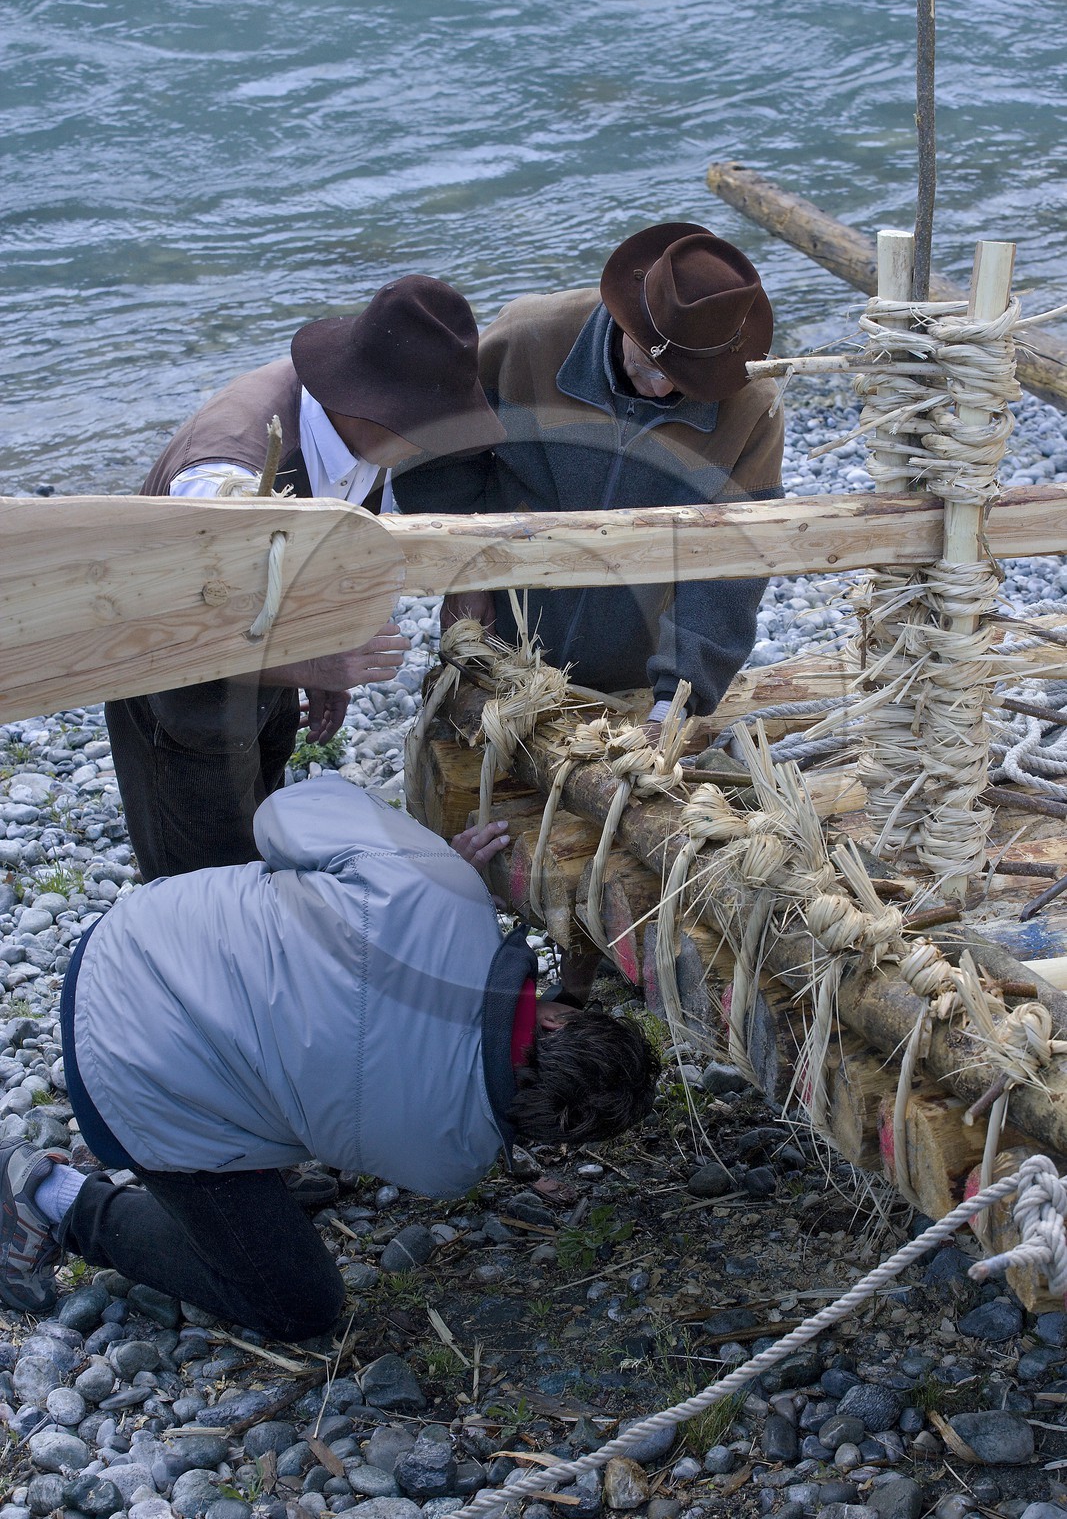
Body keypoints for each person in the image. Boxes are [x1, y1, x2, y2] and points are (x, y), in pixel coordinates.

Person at [0, 776, 659, 1338]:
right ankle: (55, 1200)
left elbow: (288, 810)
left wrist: (425, 860)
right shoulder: (450, 1162)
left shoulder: (445, 891)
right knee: (296, 1304)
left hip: (135, 952)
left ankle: (47, 1194)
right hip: (138, 1062)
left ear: (554, 1017)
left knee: (294, 1289)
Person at [105, 275, 505, 882]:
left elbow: (314, 555)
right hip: (178, 707)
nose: (436, 442)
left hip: (260, 683)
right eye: (428, 425)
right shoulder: (222, 475)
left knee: (263, 837)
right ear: (371, 405)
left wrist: (318, 655)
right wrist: (313, 666)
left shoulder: (356, 428)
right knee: (207, 884)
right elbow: (168, 633)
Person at [391, 223, 785, 733]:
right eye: (650, 364)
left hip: (634, 669)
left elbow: (733, 561)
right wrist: (466, 575)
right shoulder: (526, 339)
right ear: (627, 322)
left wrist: (678, 696)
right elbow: (437, 453)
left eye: (684, 381)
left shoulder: (753, 404)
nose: (662, 386)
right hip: (499, 635)